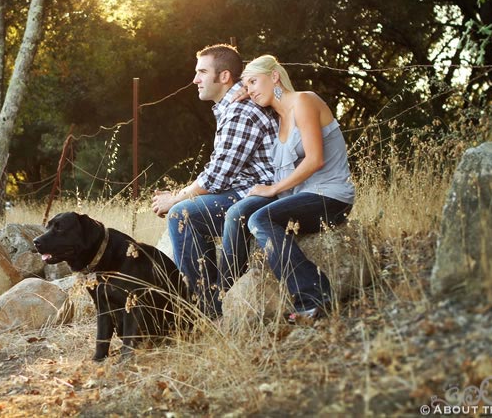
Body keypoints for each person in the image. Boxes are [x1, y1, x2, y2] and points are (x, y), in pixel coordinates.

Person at [219, 54, 355, 320]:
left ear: (275, 76)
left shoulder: (304, 101)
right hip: (297, 197)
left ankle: (314, 296)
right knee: (239, 212)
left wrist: (272, 189)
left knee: (261, 217)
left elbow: (316, 159)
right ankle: (222, 299)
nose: (250, 90)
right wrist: (249, 93)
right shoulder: (278, 118)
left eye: (254, 82)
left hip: (329, 195)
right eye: (246, 86)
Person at [152, 44, 276, 318]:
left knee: (182, 214)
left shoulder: (241, 111)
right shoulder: (232, 106)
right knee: (187, 210)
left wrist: (176, 198)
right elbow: (219, 172)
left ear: (224, 77)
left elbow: (217, 177)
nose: (195, 79)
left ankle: (207, 307)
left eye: (202, 72)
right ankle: (208, 299)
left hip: (260, 195)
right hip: (243, 190)